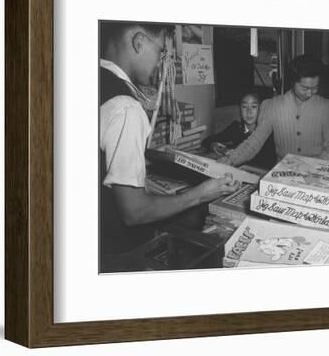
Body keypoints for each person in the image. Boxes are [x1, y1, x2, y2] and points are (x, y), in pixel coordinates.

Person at [99, 22, 239, 257]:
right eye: (161, 51)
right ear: (139, 42)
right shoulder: (126, 108)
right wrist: (200, 194)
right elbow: (134, 212)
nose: (160, 63)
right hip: (114, 250)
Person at [218, 54, 329, 166]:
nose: (310, 93)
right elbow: (254, 142)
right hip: (283, 173)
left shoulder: (326, 107)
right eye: (304, 88)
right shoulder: (272, 106)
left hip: (317, 171)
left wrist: (309, 168)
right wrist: (231, 159)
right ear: (293, 82)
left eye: (315, 88)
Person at [203, 92, 277, 169]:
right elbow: (208, 140)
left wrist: (234, 154)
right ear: (239, 109)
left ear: (261, 109)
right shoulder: (236, 128)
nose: (249, 112)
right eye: (244, 107)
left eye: (254, 107)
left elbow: (268, 162)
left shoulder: (266, 132)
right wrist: (213, 145)